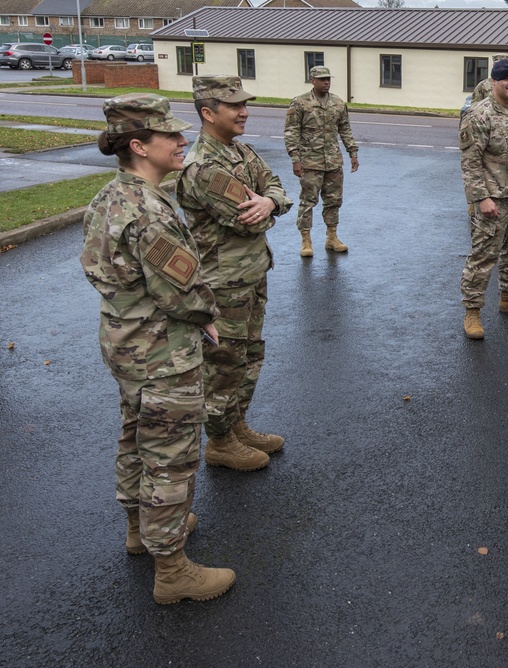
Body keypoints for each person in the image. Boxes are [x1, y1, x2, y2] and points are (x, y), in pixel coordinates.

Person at [80, 93, 235, 604]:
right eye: (171, 135)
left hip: (125, 344)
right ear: (140, 145)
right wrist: (208, 316)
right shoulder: (148, 210)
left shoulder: (110, 197)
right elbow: (182, 291)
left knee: (135, 435)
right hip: (162, 353)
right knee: (170, 456)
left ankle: (138, 529)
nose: (182, 139)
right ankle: (172, 570)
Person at [177, 75, 293, 472]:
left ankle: (237, 424)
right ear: (208, 113)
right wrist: (269, 207)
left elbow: (276, 186)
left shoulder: (239, 151)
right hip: (224, 282)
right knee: (225, 363)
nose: (245, 111)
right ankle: (221, 441)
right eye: (234, 106)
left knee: (249, 355)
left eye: (245, 104)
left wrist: (270, 202)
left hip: (251, 272)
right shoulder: (205, 167)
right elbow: (248, 223)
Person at [459, 58, 508, 339]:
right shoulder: (479, 115)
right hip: (492, 200)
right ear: (493, 82)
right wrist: (481, 198)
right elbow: (470, 162)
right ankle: (473, 311)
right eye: (507, 79)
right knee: (483, 256)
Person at [284, 65, 359, 257]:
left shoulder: (338, 103)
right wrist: (295, 159)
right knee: (308, 201)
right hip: (310, 162)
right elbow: (291, 132)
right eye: (322, 79)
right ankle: (306, 240)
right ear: (313, 81)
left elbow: (345, 129)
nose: (326, 82)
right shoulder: (300, 103)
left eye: (328, 79)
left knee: (334, 200)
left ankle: (332, 237)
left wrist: (353, 152)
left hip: (333, 161)